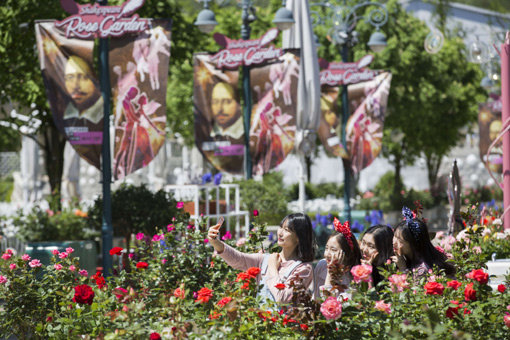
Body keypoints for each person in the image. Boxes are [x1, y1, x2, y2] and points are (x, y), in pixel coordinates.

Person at [207, 213, 315, 304]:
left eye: (286, 230)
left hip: (284, 327)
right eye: (281, 227)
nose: (280, 233)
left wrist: (272, 268)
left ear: (298, 237)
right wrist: (216, 242)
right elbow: (238, 259)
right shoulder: (264, 259)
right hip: (262, 325)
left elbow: (282, 299)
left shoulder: (303, 269)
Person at [392, 207, 455, 279]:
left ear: (413, 243)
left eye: (399, 239)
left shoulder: (422, 270)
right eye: (395, 236)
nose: (394, 242)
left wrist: (403, 268)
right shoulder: (412, 260)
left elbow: (412, 289)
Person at [312, 218, 361, 299]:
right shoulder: (322, 265)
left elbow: (330, 303)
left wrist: (331, 274)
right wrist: (330, 273)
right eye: (326, 248)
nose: (327, 254)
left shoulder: (354, 276)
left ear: (346, 253)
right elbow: (316, 299)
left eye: (333, 250)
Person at [62, 55, 103, 126]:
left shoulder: (102, 114)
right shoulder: (65, 114)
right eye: (70, 78)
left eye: (83, 77)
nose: (75, 86)